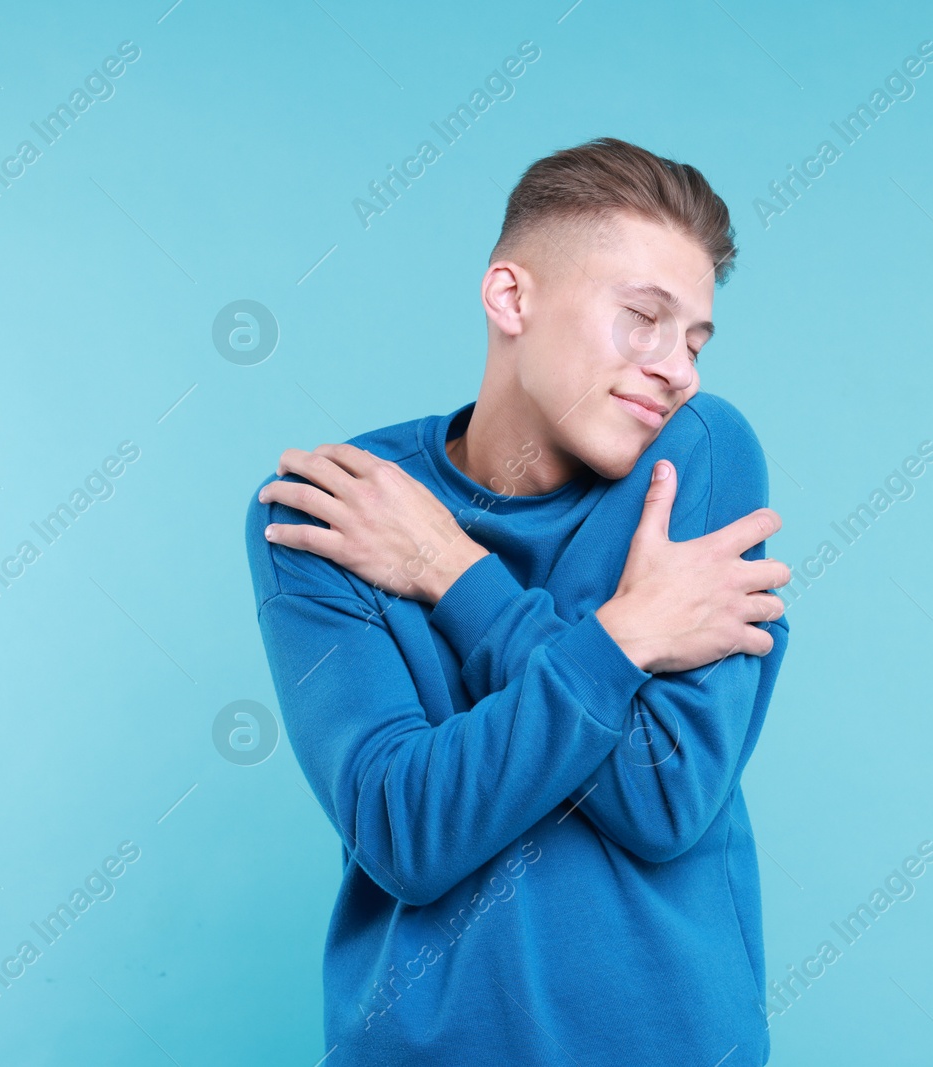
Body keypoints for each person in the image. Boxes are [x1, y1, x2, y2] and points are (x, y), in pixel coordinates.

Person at [244, 136, 792, 1065]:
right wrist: (625, 638)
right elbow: (407, 831)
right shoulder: (338, 509)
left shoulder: (694, 457)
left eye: (695, 338)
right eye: (643, 318)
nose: (679, 367)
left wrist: (452, 574)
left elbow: (664, 793)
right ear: (511, 298)